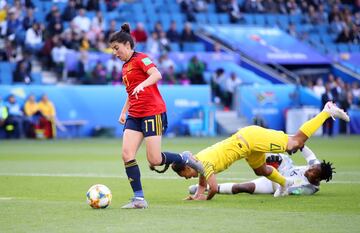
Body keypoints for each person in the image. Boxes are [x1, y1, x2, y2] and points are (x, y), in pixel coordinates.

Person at [171, 101, 349, 200]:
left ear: (187, 168)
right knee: (260, 170)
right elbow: (203, 178)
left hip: (251, 139)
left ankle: (327, 111)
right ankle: (285, 183)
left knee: (296, 141)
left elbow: (213, 188)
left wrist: (203, 197)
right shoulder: (198, 162)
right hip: (247, 147)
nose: (187, 177)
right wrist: (198, 194)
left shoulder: (202, 163)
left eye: (185, 175)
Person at [108, 23, 196, 209]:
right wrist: (124, 111)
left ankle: (183, 158)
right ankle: (139, 199)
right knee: (127, 154)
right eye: (113, 50)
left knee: (154, 160)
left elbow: (156, 74)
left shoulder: (142, 58)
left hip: (152, 112)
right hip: (135, 114)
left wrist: (143, 85)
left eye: (116, 48)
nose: (115, 53)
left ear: (127, 44)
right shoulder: (124, 67)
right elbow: (131, 93)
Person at [188, 146, 335, 196]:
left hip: (277, 185)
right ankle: (254, 153)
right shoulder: (316, 165)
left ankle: (204, 188)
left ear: (318, 178)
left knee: (243, 188)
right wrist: (299, 144)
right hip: (285, 167)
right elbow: (308, 153)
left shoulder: (310, 188)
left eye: (313, 172)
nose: (309, 169)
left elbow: (291, 191)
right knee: (279, 158)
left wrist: (280, 184)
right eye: (312, 167)